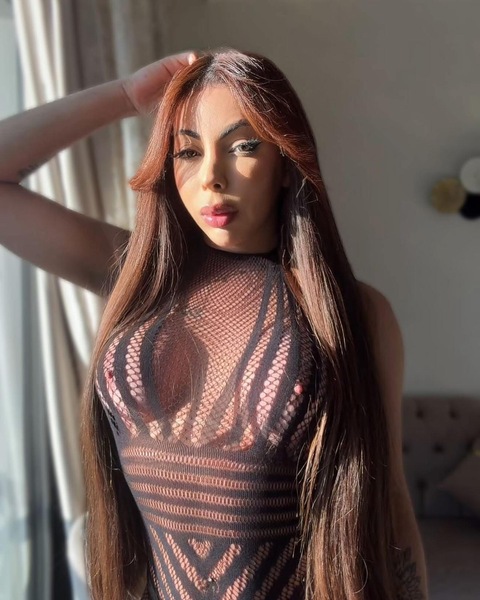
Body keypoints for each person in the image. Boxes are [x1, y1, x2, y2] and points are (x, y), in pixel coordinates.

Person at [0, 48, 428, 600]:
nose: (211, 179)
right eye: (187, 151)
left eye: (243, 146)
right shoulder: (140, 278)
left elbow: (389, 505)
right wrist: (125, 96)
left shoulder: (355, 313)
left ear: (285, 162)